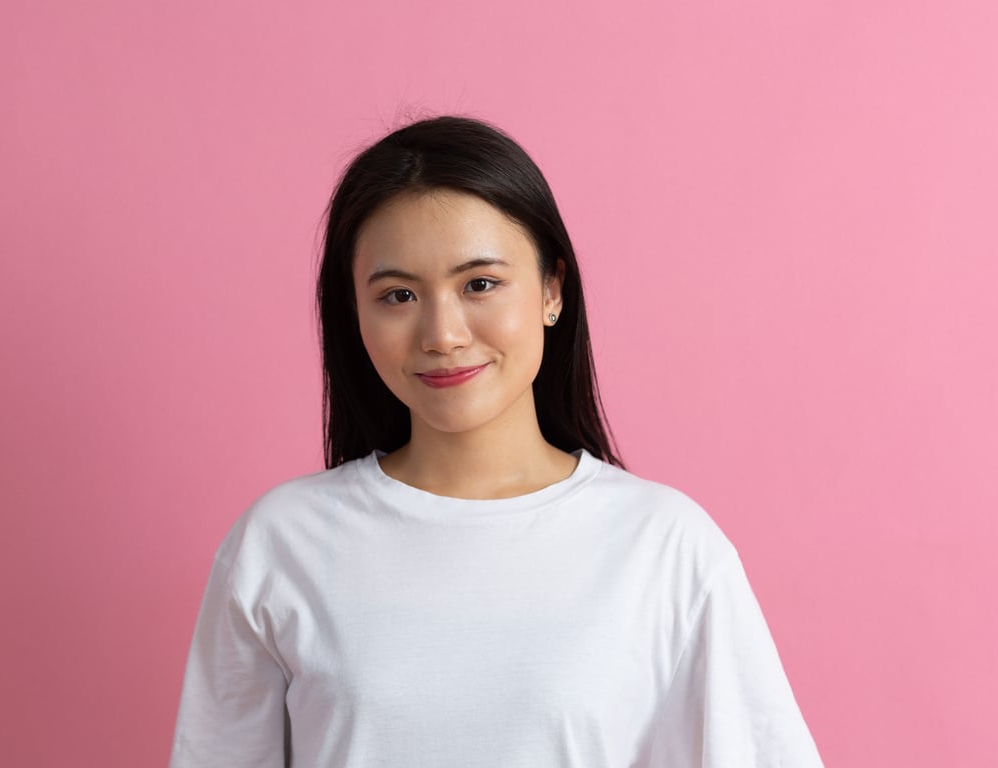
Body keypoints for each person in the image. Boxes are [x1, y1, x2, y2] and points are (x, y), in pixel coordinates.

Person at [168, 116, 824, 767]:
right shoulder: (280, 545)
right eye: (398, 295)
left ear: (551, 289)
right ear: (355, 315)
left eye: (479, 284)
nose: (442, 333)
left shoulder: (665, 548)